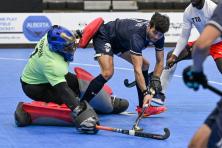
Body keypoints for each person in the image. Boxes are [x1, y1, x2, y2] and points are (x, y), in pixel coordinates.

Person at [15, 25, 129, 133]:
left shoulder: (49, 37)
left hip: (45, 75)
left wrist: (77, 34)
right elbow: (64, 91)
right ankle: (26, 110)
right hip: (34, 86)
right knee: (67, 103)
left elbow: (64, 36)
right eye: (68, 48)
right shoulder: (52, 64)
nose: (72, 49)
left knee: (80, 85)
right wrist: (80, 113)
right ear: (56, 49)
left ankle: (104, 102)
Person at [80, 12, 170, 116]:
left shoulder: (159, 36)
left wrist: (156, 79)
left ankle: (143, 108)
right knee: (107, 73)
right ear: (149, 26)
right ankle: (81, 105)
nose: (156, 37)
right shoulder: (137, 36)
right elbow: (137, 69)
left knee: (145, 65)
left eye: (160, 34)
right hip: (106, 36)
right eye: (154, 33)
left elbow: (160, 61)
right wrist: (146, 92)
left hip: (122, 43)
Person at [155, 0, 222, 106]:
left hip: (219, 43)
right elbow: (184, 36)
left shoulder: (212, 8)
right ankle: (160, 95)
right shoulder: (188, 11)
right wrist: (175, 55)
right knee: (171, 55)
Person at [183, 3, 222, 147]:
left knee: (197, 144)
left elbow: (201, 45)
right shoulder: (189, 11)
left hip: (217, 44)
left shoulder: (216, 7)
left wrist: (197, 71)